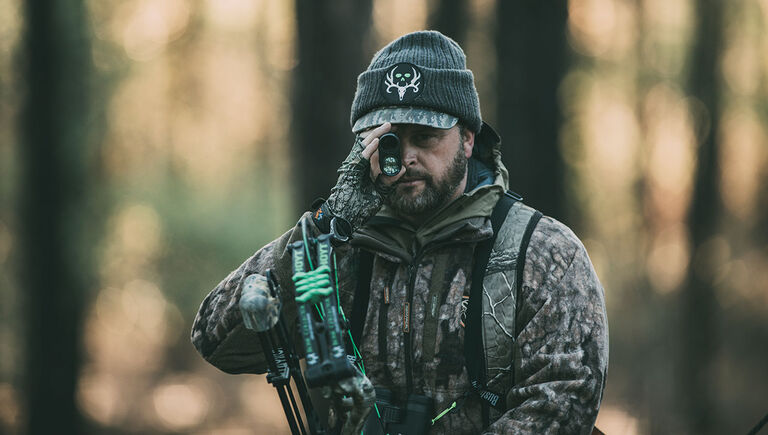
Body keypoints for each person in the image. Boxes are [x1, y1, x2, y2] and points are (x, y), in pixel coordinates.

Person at [191, 30, 608, 434]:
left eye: (425, 137)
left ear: (467, 138)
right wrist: (328, 225)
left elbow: (564, 399)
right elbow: (219, 341)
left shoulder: (542, 252)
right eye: (388, 141)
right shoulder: (339, 250)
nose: (406, 157)